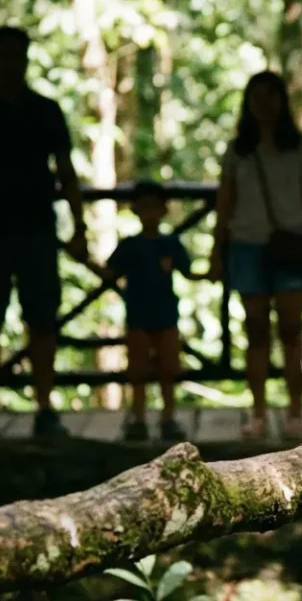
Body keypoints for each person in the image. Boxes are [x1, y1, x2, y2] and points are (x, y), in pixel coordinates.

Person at [0, 26, 89, 438]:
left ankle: (45, 408)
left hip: (36, 230)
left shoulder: (45, 110)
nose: (12, 62)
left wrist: (79, 225)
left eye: (19, 55)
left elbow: (65, 173)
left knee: (43, 321)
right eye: (4, 55)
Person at [210, 71, 302, 440]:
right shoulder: (238, 151)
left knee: (293, 332)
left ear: (282, 101)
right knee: (256, 331)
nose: (264, 104)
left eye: (271, 96)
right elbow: (225, 204)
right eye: (257, 96)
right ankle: (258, 412)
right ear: (248, 103)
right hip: (247, 246)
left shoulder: (301, 147)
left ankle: (296, 410)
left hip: (291, 246)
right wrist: (218, 250)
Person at [100, 181, 203, 442]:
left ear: (163, 210)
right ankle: (138, 418)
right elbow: (109, 272)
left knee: (168, 368)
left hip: (166, 315)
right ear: (135, 210)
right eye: (143, 207)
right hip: (137, 316)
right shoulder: (130, 245)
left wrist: (214, 270)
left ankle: (168, 417)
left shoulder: (170, 243)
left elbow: (188, 272)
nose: (149, 213)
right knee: (138, 369)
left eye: (154, 207)